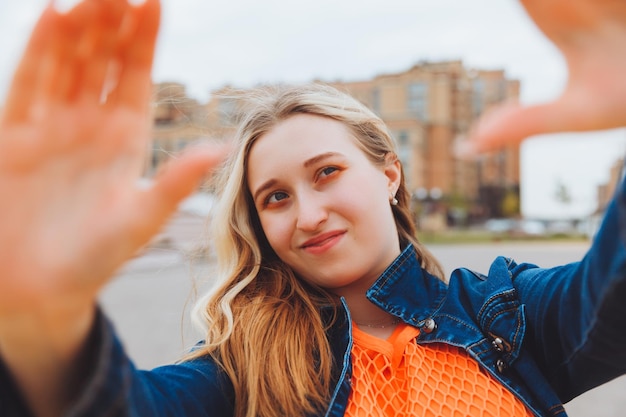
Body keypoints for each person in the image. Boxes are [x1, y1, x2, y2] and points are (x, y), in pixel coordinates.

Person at [1, 0, 626, 416]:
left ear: (389, 175)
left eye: (327, 172)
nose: (307, 215)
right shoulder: (245, 374)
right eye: (275, 197)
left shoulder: (504, 316)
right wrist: (44, 331)